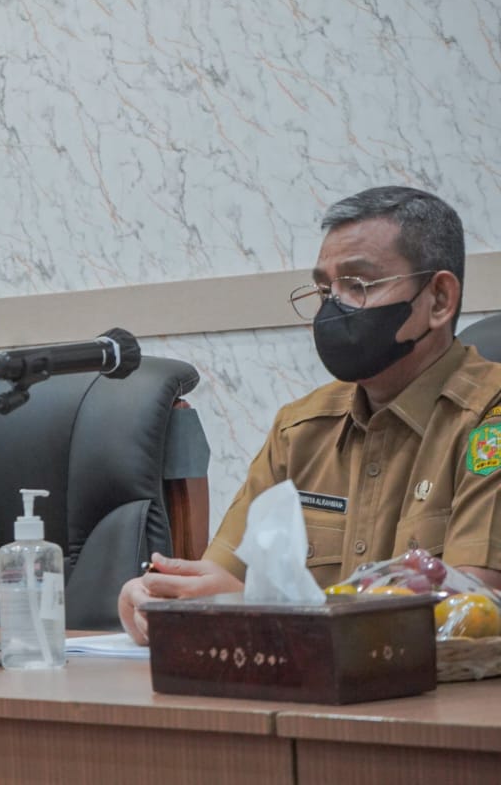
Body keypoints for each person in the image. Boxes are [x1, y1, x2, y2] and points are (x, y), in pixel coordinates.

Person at [119, 186, 501, 643]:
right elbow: (216, 578)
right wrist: (153, 598)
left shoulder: (488, 421)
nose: (332, 307)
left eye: (358, 284)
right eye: (325, 288)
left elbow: (470, 616)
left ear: (438, 299)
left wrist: (261, 612)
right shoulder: (300, 430)